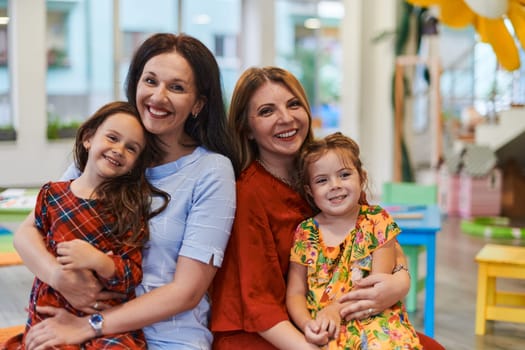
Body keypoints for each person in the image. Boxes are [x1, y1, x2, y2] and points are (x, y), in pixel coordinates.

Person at [11, 33, 237, 350]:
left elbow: (187, 291)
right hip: (76, 323)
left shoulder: (211, 171)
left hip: (167, 337)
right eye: (150, 81)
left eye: (177, 87)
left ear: (198, 103)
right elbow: (27, 232)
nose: (158, 96)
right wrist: (59, 278)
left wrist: (89, 326)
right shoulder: (111, 151)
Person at [210, 67, 415, 350]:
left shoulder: (329, 169)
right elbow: (259, 306)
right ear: (247, 128)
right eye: (267, 111)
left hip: (337, 319)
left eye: (293, 104)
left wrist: (400, 282)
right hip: (265, 331)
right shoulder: (247, 194)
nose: (286, 118)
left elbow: (376, 233)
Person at [4, 101, 171, 349]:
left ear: (137, 163)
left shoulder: (128, 209)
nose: (118, 150)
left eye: (131, 148)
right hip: (50, 313)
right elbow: (28, 240)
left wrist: (99, 261)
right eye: (112, 138)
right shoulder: (52, 195)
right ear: (88, 139)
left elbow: (131, 275)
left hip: (102, 320)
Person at [286, 132, 421, 349]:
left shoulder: (377, 221)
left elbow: (377, 284)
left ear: (362, 178)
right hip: (326, 325)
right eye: (322, 180)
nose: (335, 185)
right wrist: (307, 325)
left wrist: (336, 309)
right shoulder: (306, 232)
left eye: (344, 175)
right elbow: (295, 292)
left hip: (372, 317)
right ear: (310, 191)